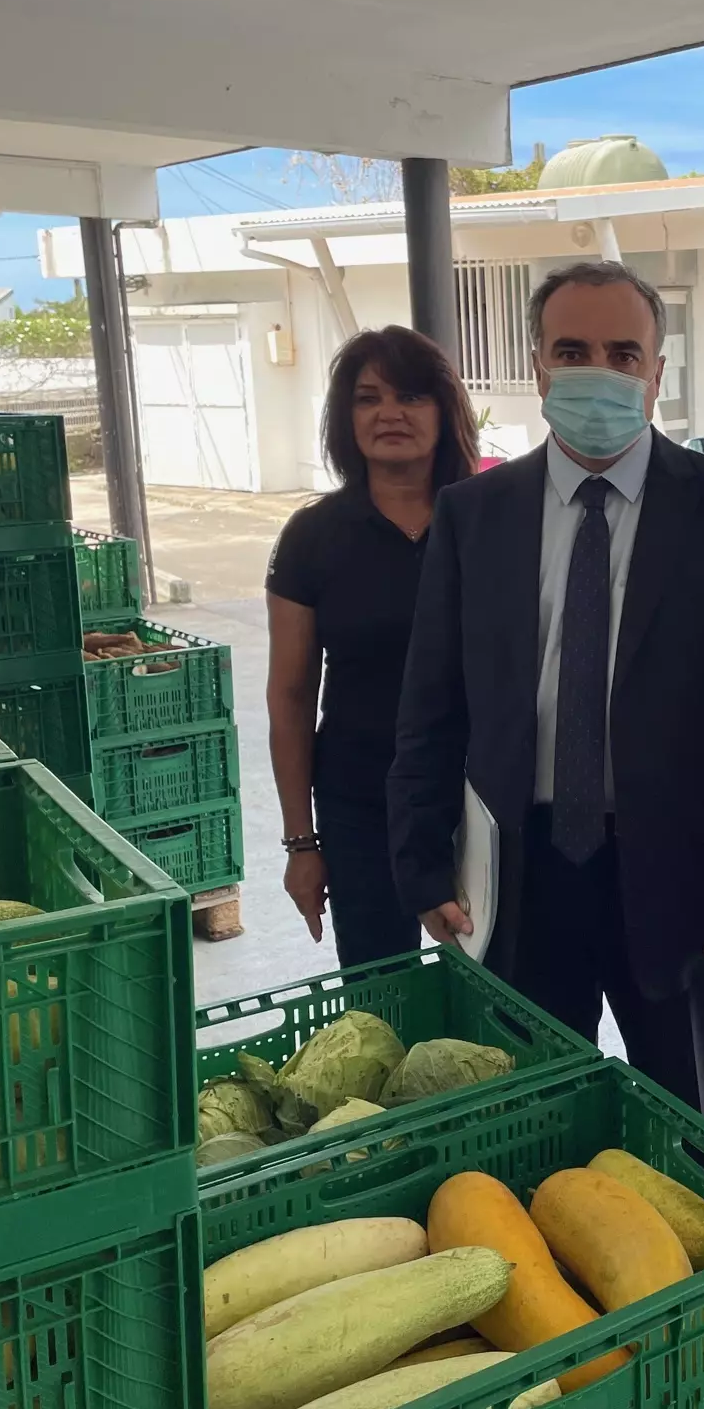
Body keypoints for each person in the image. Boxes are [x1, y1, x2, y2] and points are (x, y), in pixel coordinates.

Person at [389, 260, 704, 1126]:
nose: (599, 372)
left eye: (624, 354)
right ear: (538, 367)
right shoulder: (475, 514)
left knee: (690, 1128)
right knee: (529, 1119)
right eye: (572, 350)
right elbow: (432, 703)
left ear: (658, 374)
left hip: (681, 880)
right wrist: (422, 860)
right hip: (517, 874)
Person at [266, 326, 479, 967]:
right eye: (367, 398)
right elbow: (292, 696)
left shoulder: (490, 519)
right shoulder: (314, 536)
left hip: (482, 803)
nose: (390, 413)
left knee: (500, 1001)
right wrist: (302, 845)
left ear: (444, 411)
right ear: (344, 417)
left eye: (412, 396)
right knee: (381, 1006)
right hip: (361, 803)